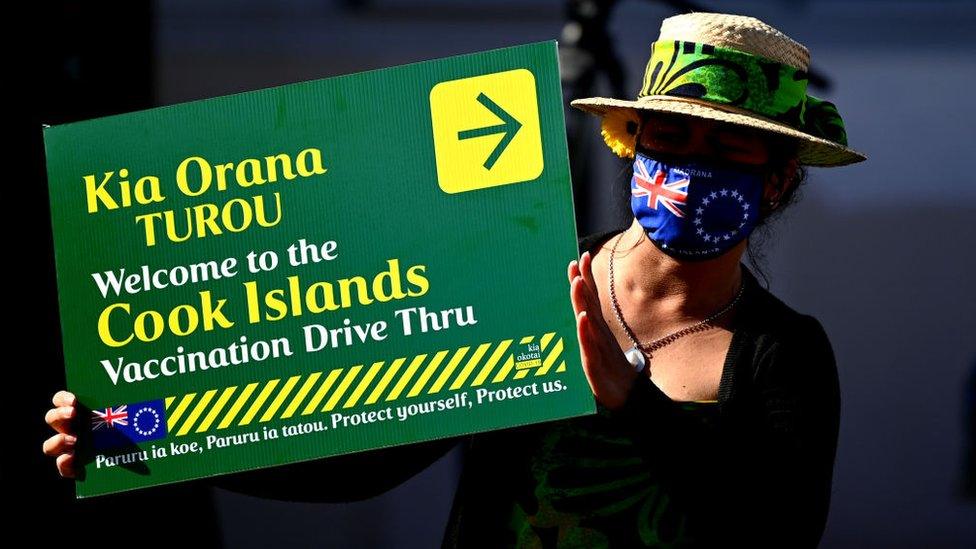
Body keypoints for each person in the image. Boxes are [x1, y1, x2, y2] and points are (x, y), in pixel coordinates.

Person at [43, 11, 867, 548]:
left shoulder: (782, 353)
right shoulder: (535, 277)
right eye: (670, 142)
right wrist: (139, 435)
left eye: (726, 153)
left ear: (778, 183)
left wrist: (637, 408)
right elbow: (369, 453)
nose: (689, 173)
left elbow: (776, 531)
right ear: (629, 142)